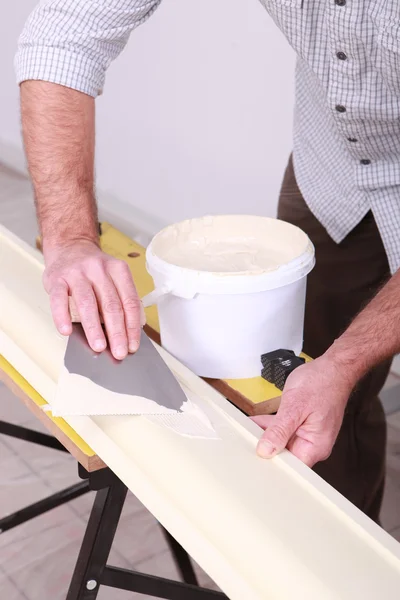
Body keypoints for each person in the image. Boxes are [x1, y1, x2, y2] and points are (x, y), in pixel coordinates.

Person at [14, 0, 400, 523]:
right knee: (314, 398)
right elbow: (64, 33)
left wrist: (346, 361)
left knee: (337, 370)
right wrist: (71, 240)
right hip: (332, 167)